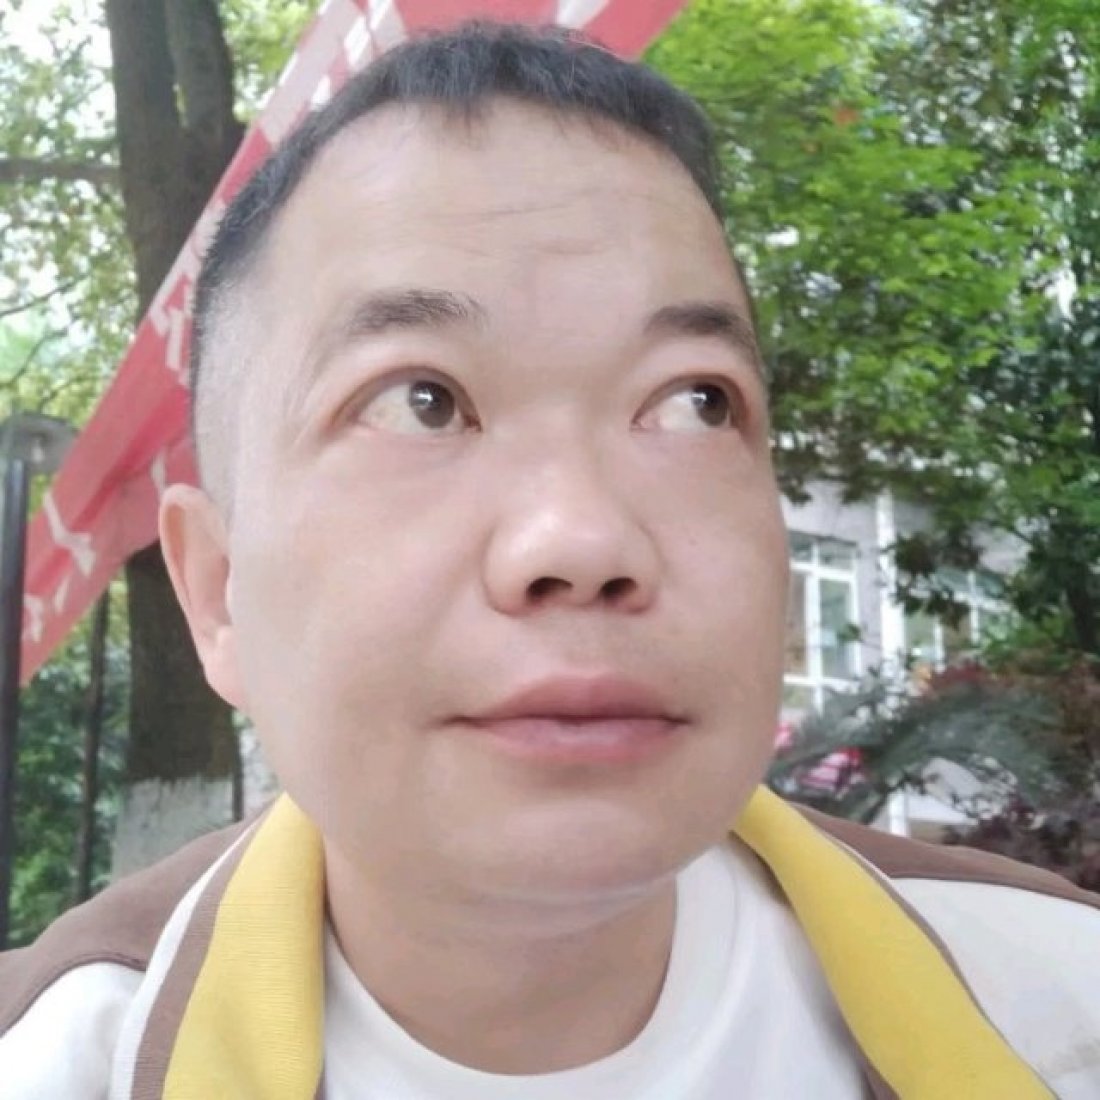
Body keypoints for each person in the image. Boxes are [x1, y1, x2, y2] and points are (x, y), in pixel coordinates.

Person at [1, 21, 1097, 1100]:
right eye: (421, 400)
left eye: (694, 401)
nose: (582, 540)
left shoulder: (1058, 1013)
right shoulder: (57, 1061)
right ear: (216, 594)